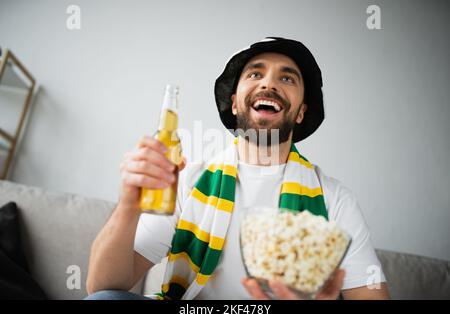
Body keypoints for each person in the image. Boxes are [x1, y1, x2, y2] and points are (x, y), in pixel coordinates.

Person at [85, 37, 390, 300]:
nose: (268, 83)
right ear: (234, 104)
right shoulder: (189, 180)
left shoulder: (335, 200)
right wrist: (128, 205)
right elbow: (103, 287)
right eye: (256, 73)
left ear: (301, 113)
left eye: (287, 78)